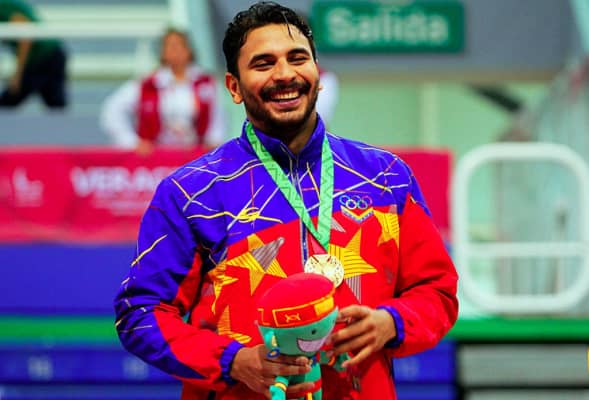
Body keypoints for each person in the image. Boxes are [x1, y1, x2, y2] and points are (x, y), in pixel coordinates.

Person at [114, 2, 458, 400]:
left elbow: (438, 291)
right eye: (263, 64)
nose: (284, 74)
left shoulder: (386, 177)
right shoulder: (191, 192)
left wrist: (391, 322)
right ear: (233, 87)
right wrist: (232, 362)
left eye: (297, 58)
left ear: (318, 74)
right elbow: (140, 314)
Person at [100, 28, 225, 155]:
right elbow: (112, 109)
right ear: (162, 53)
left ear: (189, 50)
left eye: (179, 45)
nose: (175, 51)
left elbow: (217, 119)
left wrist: (213, 143)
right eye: (170, 46)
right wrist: (132, 142)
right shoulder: (148, 84)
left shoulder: (207, 83)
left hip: (194, 157)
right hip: (156, 159)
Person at [0, 0, 68, 108]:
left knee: (9, 100)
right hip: (45, 56)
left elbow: (25, 37)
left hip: (45, 56)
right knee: (55, 104)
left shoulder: (3, 7)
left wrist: (18, 75)